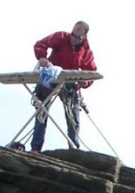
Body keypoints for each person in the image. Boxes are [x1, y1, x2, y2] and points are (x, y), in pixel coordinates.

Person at [30, 21, 97, 152]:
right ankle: (35, 148)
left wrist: (85, 82)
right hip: (50, 77)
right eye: (73, 34)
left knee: (73, 114)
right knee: (41, 110)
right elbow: (40, 44)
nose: (73, 39)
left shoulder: (86, 51)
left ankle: (74, 148)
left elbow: (91, 72)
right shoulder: (61, 37)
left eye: (78, 37)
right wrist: (42, 57)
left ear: (84, 38)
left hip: (70, 83)